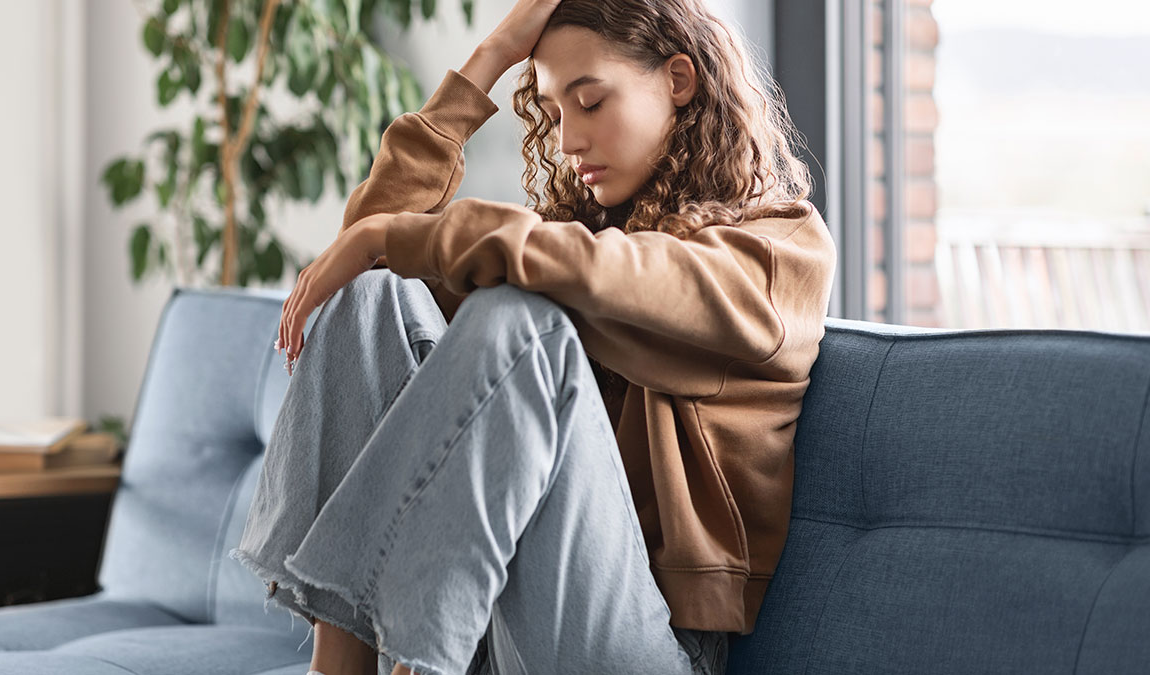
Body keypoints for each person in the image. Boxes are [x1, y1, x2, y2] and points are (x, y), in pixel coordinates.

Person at [228, 0, 838, 673]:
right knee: (377, 298)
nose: (569, 140)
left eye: (591, 102)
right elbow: (368, 252)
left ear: (679, 80)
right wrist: (489, 57)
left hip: (651, 645)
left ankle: (410, 663)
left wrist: (388, 236)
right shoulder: (580, 240)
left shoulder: (781, 249)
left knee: (518, 316)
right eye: (554, 114)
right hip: (501, 625)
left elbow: (613, 275)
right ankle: (339, 665)